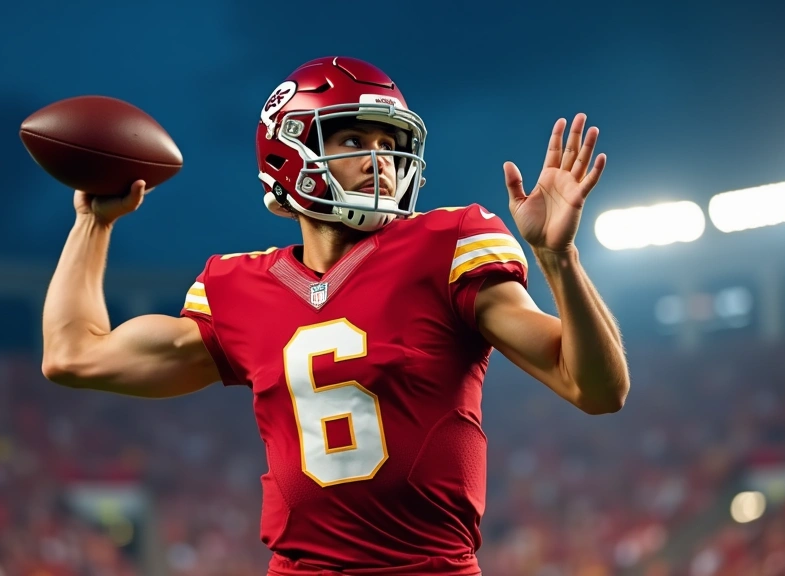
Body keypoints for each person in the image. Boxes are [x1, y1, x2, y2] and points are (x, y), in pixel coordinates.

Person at [41, 56, 630, 575]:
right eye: (353, 141)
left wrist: (558, 259)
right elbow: (74, 356)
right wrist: (93, 222)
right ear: (289, 152)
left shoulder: (447, 244)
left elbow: (595, 389)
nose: (381, 161)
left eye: (389, 144)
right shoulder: (238, 287)